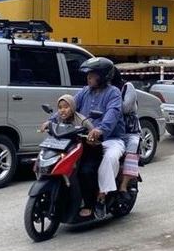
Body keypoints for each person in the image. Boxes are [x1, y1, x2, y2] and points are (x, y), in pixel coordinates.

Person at [43, 57, 125, 219]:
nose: (88, 77)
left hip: (110, 139)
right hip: (84, 138)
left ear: (103, 75)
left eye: (92, 74)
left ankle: (100, 198)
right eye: (87, 74)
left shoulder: (113, 93)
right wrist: (51, 120)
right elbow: (68, 107)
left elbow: (112, 113)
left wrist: (101, 129)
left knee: (101, 163)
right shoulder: (85, 91)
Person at [110, 68, 140, 194]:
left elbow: (125, 108)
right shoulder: (104, 90)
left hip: (129, 130)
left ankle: (124, 185)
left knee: (132, 151)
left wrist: (109, 105)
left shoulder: (127, 87)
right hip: (112, 128)